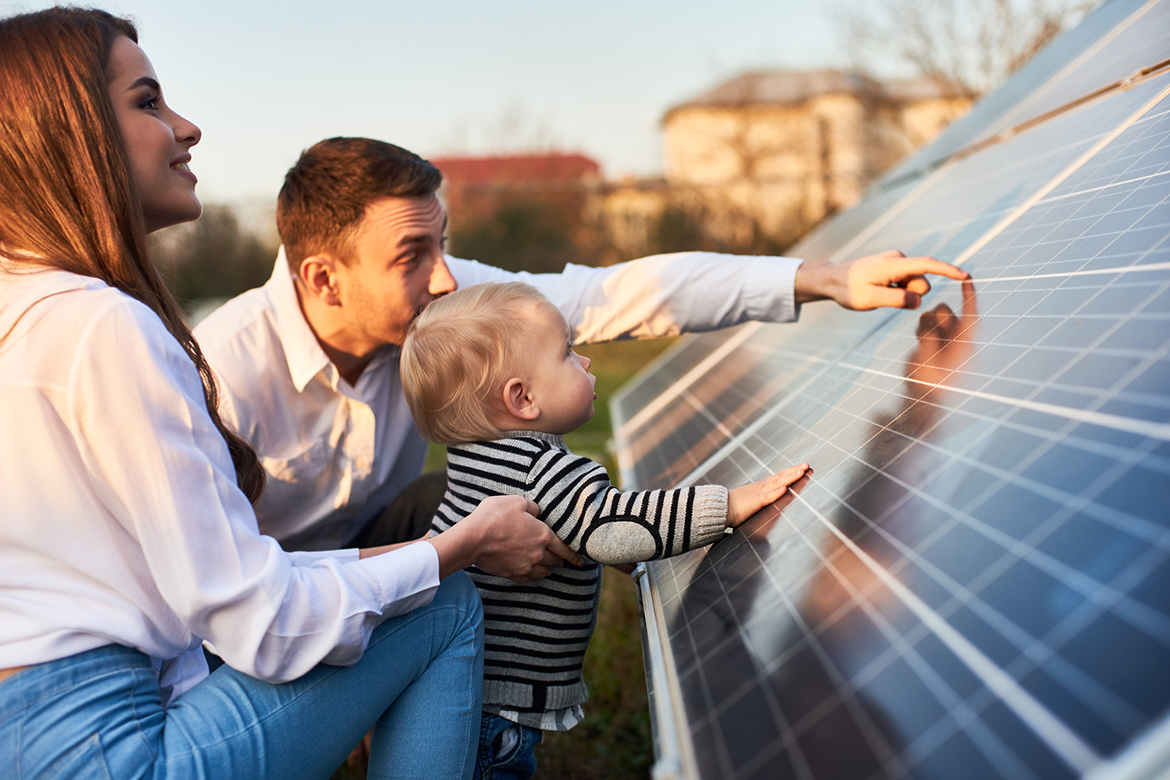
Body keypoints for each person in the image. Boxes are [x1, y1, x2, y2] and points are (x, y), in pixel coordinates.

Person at [0, 9, 578, 780]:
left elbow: (225, 592)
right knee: (442, 603)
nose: (187, 126)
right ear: (69, 134)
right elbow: (259, 623)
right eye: (147, 102)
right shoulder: (104, 327)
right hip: (106, 750)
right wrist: (458, 548)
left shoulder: (25, 310)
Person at [193, 137, 971, 555]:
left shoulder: (444, 301)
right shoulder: (220, 374)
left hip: (380, 549)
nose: (443, 282)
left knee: (510, 498)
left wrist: (823, 277)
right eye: (411, 258)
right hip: (261, 606)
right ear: (324, 279)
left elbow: (612, 295)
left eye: (444, 246)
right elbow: (213, 587)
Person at [399, 281, 812, 778]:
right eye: (569, 352)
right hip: (497, 711)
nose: (587, 362)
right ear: (522, 398)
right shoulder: (541, 469)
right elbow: (611, 524)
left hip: (462, 688)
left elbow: (575, 528)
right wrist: (727, 505)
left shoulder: (473, 462)